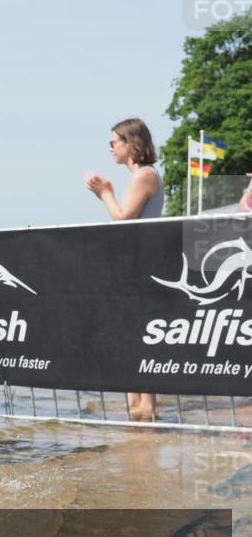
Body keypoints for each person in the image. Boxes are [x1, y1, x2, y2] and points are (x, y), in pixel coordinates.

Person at [84, 117, 165, 421]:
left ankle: (144, 411)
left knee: (139, 339)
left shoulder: (144, 175)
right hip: (135, 267)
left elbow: (123, 217)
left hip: (141, 269)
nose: (110, 148)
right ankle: (137, 412)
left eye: (113, 141)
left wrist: (104, 192)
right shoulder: (141, 176)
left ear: (131, 144)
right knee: (132, 339)